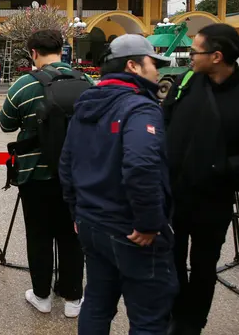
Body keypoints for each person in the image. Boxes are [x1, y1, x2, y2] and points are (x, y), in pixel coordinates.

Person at [163, 23, 239, 334]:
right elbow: (162, 125)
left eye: (195, 51)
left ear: (217, 56)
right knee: (170, 262)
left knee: (204, 269)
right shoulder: (185, 84)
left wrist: (219, 169)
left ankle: (192, 324)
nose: (190, 56)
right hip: (173, 198)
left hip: (213, 204)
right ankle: (174, 316)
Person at [59, 34, 177, 334]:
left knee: (97, 304)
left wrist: (77, 212)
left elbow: (67, 164)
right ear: (133, 66)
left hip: (91, 223)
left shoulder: (86, 104)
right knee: (148, 318)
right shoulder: (139, 107)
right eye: (153, 64)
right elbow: (141, 165)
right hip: (131, 231)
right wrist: (149, 222)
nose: (158, 71)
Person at [0, 30, 89, 318]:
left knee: (39, 235)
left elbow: (5, 124)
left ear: (33, 52)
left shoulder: (23, 85)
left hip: (34, 176)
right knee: (72, 236)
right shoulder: (85, 82)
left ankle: (42, 296)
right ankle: (74, 297)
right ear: (62, 50)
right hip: (76, 175)